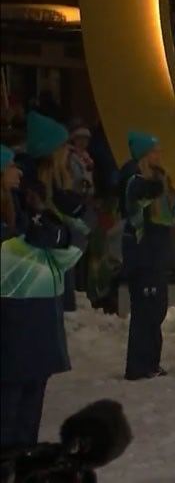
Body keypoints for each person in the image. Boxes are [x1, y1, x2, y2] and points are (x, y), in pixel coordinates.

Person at [1, 145, 82, 453]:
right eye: (10, 165)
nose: (18, 171)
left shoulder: (24, 205)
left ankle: (23, 464)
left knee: (29, 409)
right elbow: (20, 253)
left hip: (36, 317)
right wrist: (46, 239)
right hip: (14, 319)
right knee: (10, 410)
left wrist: (62, 234)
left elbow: (65, 253)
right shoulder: (15, 220)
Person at [119, 131, 175, 380]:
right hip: (144, 255)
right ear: (144, 155)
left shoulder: (161, 179)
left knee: (157, 310)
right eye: (154, 151)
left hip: (160, 255)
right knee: (145, 311)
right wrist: (162, 187)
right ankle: (138, 366)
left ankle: (151, 362)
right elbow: (142, 198)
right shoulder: (133, 180)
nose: (159, 154)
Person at [21, 113, 88, 313]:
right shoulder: (31, 187)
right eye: (64, 145)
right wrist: (67, 236)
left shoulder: (53, 184)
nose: (69, 150)